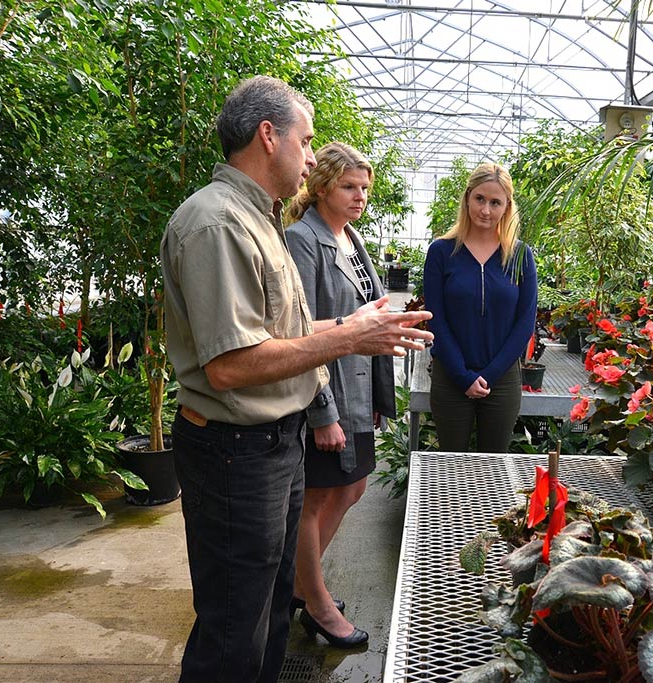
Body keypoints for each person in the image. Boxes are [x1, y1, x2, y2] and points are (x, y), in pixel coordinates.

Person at [160, 76, 432, 683]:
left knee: (271, 610)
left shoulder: (260, 220)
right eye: (306, 142)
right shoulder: (216, 224)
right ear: (268, 135)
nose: (312, 157)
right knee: (234, 628)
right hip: (235, 454)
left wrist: (351, 321)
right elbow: (230, 364)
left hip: (274, 445)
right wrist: (347, 339)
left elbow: (278, 331)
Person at [282, 142, 393, 648]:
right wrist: (322, 412)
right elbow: (299, 331)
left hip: (356, 387)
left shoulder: (350, 239)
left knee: (353, 487)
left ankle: (302, 584)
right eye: (350, 186)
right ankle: (317, 603)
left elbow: (365, 312)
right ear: (321, 186)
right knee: (316, 497)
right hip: (326, 391)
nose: (360, 197)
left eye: (365, 188)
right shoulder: (303, 240)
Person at [422, 162, 537, 453]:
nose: (485, 210)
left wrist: (490, 374)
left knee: (495, 466)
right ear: (467, 198)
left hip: (502, 379)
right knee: (451, 466)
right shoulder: (442, 252)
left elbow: (525, 323)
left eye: (495, 202)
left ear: (507, 206)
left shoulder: (520, 255)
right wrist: (463, 376)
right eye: (480, 199)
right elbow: (436, 320)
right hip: (451, 376)